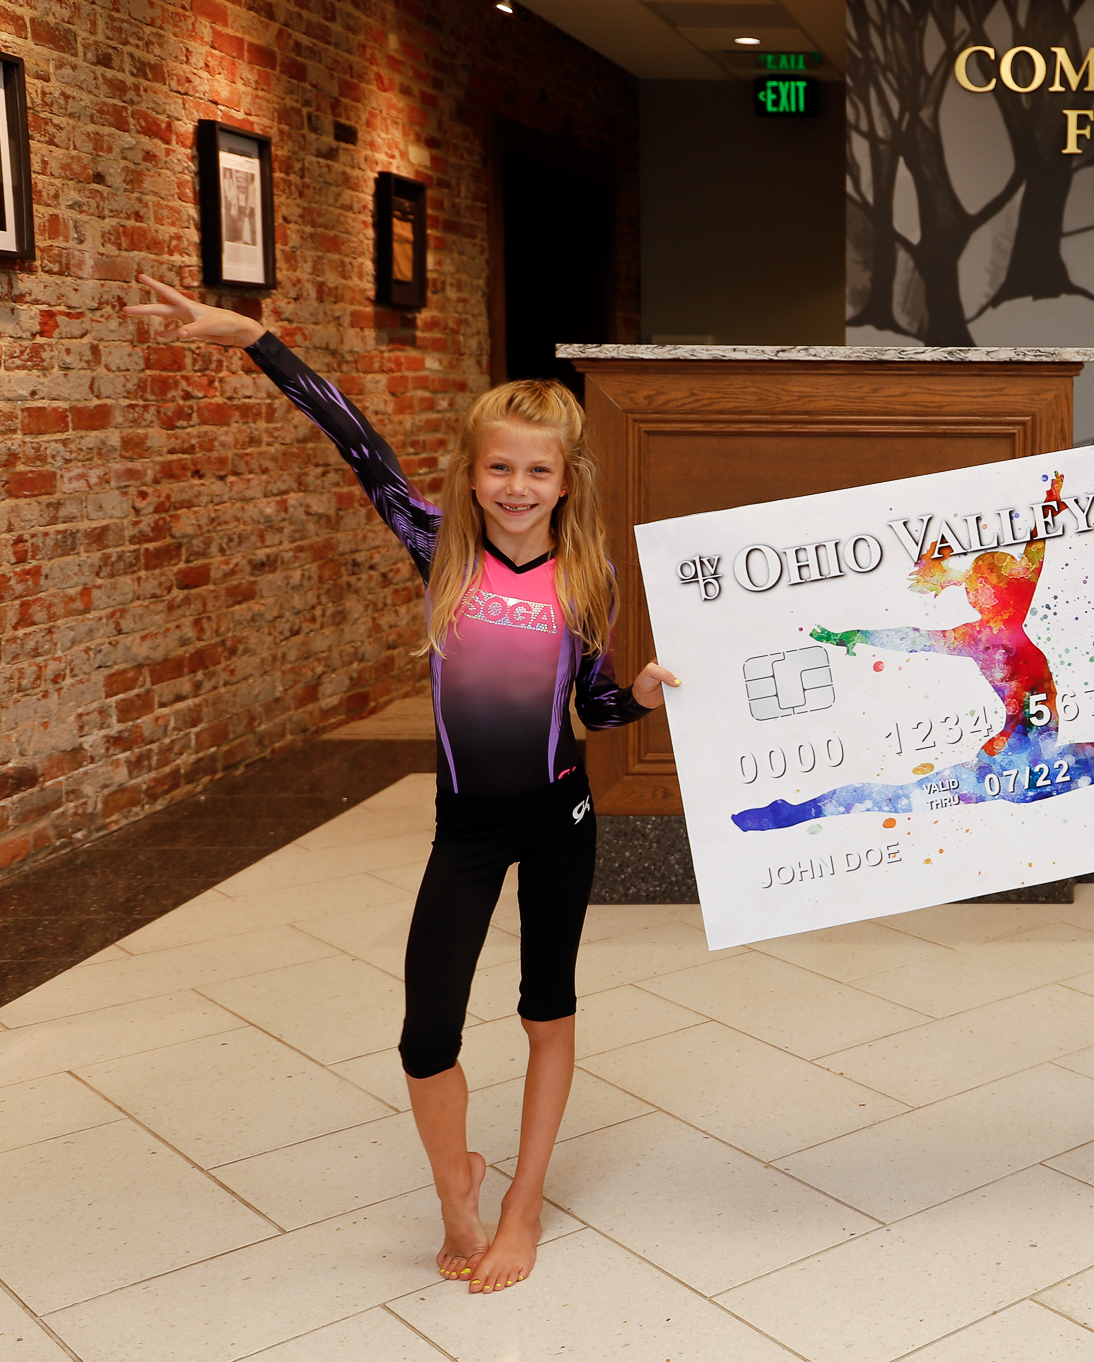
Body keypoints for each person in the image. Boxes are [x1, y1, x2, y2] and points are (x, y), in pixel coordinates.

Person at [122, 275, 679, 1293]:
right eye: (499, 467)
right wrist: (255, 338)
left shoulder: (586, 578)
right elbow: (354, 442)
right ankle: (457, 1191)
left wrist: (636, 693)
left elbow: (592, 711)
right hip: (462, 830)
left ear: (565, 482)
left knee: (545, 1011)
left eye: (536, 471)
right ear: (470, 476)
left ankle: (523, 1204)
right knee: (427, 1039)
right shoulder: (437, 547)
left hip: (560, 819)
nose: (517, 486)